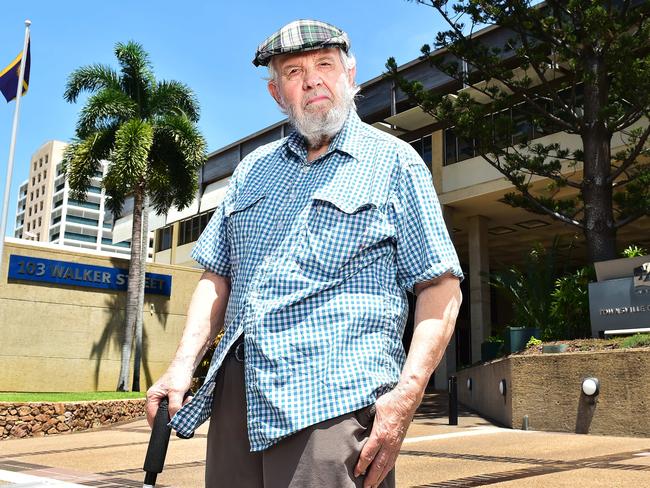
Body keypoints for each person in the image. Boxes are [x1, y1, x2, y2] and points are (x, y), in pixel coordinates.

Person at [146, 19, 463, 488]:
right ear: (277, 93)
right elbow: (216, 278)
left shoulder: (394, 162)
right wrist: (180, 368)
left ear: (350, 76)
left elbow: (441, 287)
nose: (312, 78)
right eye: (293, 72)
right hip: (238, 398)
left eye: (325, 65)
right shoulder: (252, 170)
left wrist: (405, 397)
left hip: (331, 404)